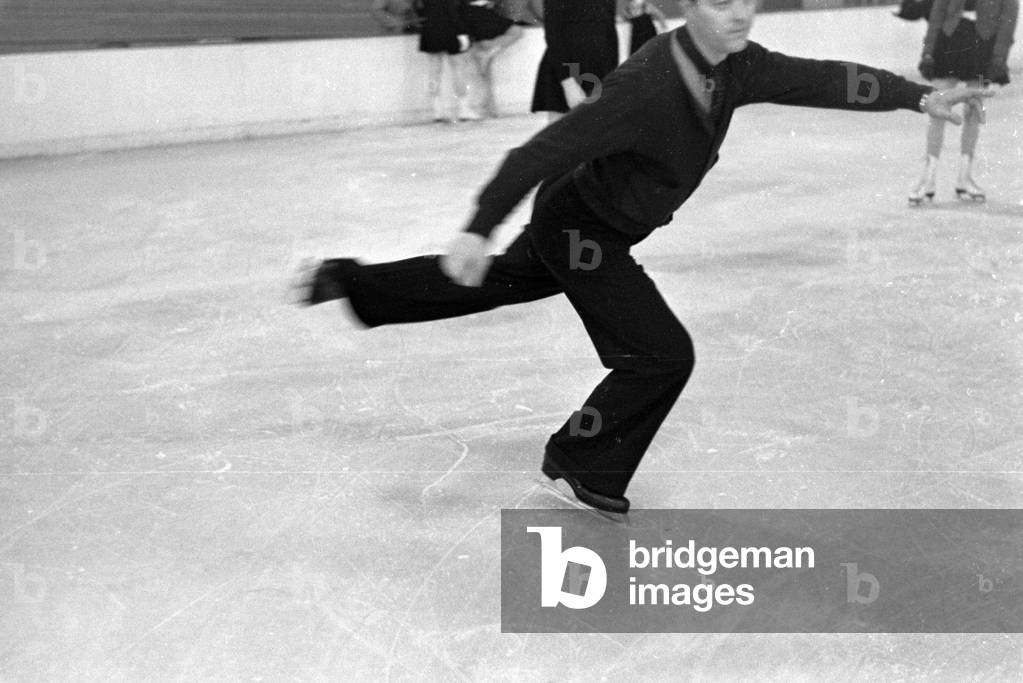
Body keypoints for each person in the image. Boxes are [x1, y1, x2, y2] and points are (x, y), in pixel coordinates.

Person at [296, 0, 992, 518]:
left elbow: (820, 78)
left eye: (745, 0)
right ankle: (579, 462)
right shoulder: (647, 84)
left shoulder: (736, 65)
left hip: (595, 220)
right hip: (582, 227)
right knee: (660, 353)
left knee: (501, 283)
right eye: (721, 3)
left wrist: (914, 95)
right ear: (686, 8)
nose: (739, 15)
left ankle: (351, 283)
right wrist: (476, 225)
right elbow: (539, 152)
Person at [909, 0, 1017, 204]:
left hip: (983, 48)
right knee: (938, 107)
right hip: (948, 43)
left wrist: (999, 58)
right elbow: (937, 12)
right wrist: (928, 50)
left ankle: (964, 177)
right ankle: (928, 177)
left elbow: (1008, 22)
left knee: (974, 111)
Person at [531, 0, 620, 122]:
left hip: (599, 68)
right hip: (565, 67)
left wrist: (612, 75)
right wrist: (567, 82)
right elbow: (553, 35)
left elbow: (610, 33)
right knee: (561, 134)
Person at [416, 0, 481, 121]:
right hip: (450, 30)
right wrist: (463, 31)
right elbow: (452, 12)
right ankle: (463, 109)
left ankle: (437, 111)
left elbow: (420, 10)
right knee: (459, 69)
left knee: (434, 71)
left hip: (429, 30)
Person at [464, 0, 525, 116]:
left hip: (479, 14)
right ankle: (487, 107)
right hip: (477, 13)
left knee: (484, 70)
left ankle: (488, 107)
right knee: (483, 69)